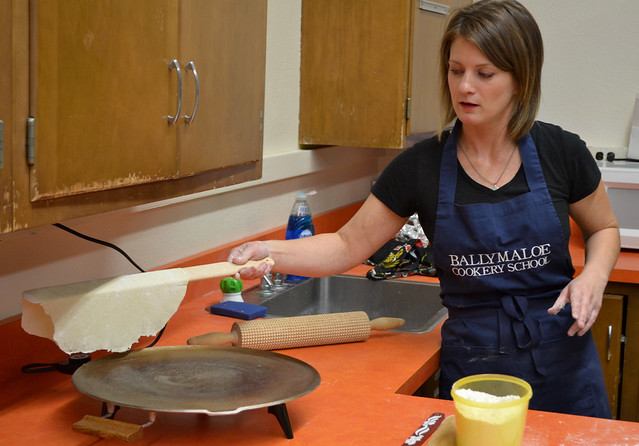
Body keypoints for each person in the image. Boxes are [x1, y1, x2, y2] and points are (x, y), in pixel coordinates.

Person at [228, 0, 620, 418]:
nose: (465, 87)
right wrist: (268, 253)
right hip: (474, 366)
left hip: (563, 358)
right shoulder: (421, 166)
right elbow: (346, 244)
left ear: (521, 80)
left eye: (484, 74)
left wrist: (593, 277)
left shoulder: (561, 151)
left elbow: (604, 229)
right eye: (456, 70)